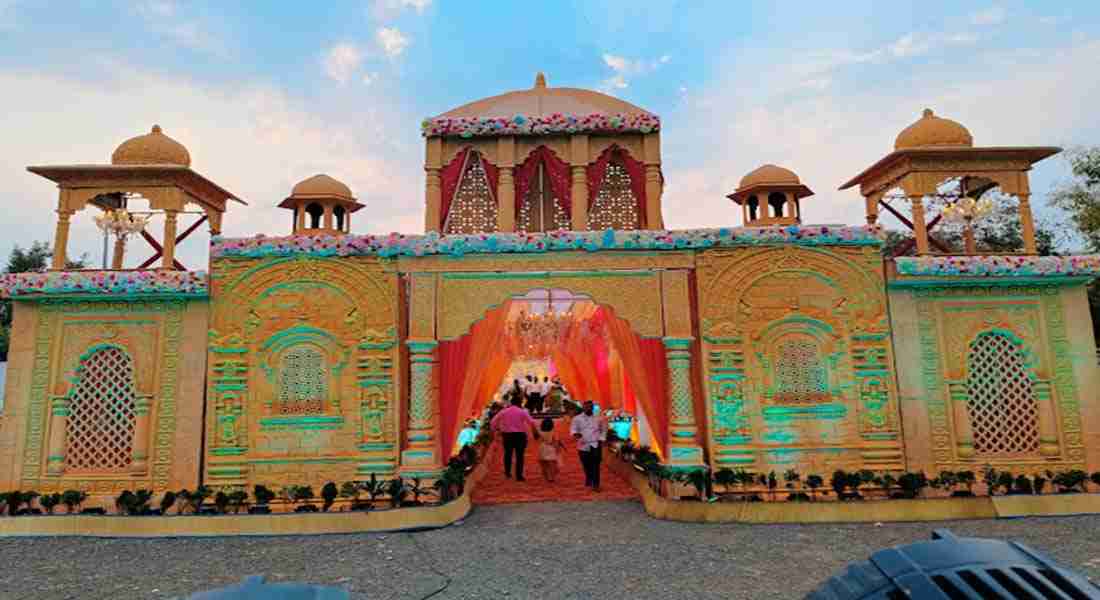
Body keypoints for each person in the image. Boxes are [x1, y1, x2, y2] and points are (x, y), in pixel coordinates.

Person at [490, 393, 538, 481]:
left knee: (508, 454)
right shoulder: (522, 411)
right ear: (520, 403)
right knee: (520, 456)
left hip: (507, 435)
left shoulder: (504, 411)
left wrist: (496, 430)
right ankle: (519, 475)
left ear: (511, 402)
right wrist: (535, 433)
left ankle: (507, 473)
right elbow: (532, 423)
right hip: (520, 435)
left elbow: (493, 422)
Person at [570, 400, 607, 491]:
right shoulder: (577, 418)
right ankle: (589, 477)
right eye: (586, 407)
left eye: (590, 407)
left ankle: (596, 484)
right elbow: (573, 429)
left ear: (593, 408)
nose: (588, 408)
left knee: (596, 464)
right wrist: (575, 434)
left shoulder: (599, 418)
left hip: (595, 444)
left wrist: (601, 440)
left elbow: (604, 430)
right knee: (586, 463)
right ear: (583, 407)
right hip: (582, 444)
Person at [536, 417, 563, 483]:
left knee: (544, 464)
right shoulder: (554, 432)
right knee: (552, 464)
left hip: (542, 448)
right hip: (551, 449)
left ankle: (546, 477)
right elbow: (556, 442)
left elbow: (538, 439)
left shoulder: (540, 432)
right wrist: (558, 450)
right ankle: (552, 477)